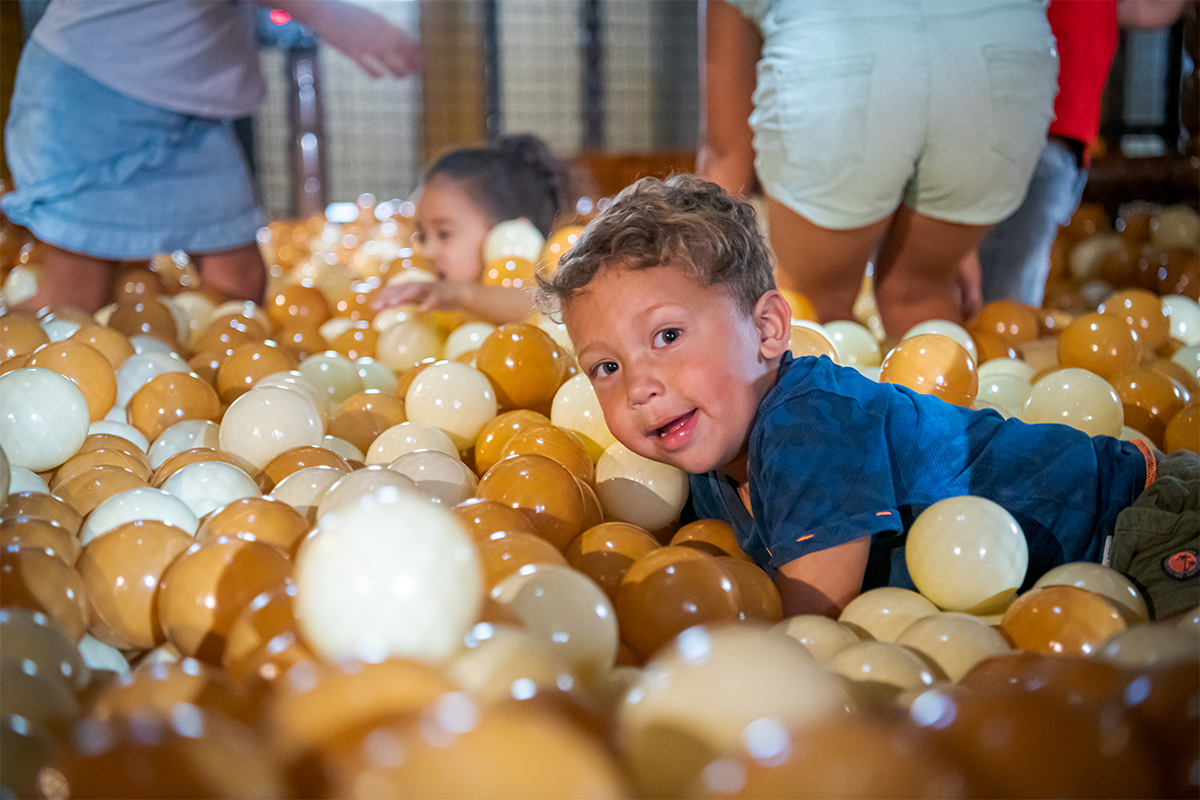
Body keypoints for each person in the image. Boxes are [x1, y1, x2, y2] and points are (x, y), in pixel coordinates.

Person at [540, 174, 1200, 620]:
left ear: (768, 329)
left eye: (669, 335)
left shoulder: (804, 425)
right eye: (604, 367)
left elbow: (812, 620)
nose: (639, 384)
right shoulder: (710, 450)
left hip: (1134, 525)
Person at [1, 0, 420, 314]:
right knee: (76, 300)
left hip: (189, 111)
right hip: (93, 93)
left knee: (239, 283)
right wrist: (335, 18)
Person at [698, 0, 1059, 335]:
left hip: (841, 55)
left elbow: (727, 156)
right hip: (1006, 54)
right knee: (922, 291)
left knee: (813, 306)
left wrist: (699, 283)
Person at [975, 0, 1191, 306]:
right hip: (1026, 131)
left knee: (1019, 269)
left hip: (1064, 143)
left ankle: (999, 332)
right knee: (1006, 284)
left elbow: (1149, 10)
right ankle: (992, 337)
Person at [372, 133, 573, 325]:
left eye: (444, 234)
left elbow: (545, 305)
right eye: (422, 236)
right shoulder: (432, 305)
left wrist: (461, 294)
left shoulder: (548, 283)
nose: (426, 251)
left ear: (509, 234)